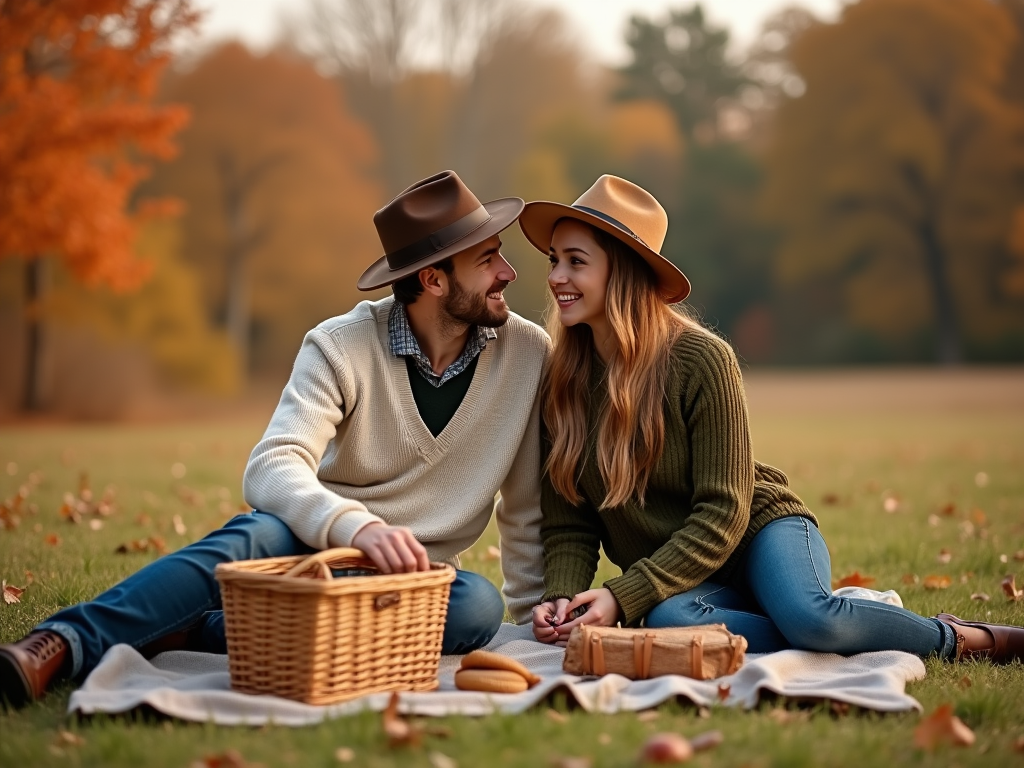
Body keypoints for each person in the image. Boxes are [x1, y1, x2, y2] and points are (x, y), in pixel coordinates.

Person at [0, 170, 550, 709]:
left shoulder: (527, 354)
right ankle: (61, 645)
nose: (507, 272)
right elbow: (272, 465)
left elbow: (526, 510)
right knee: (254, 535)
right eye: (487, 260)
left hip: (408, 582)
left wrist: (530, 623)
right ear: (433, 280)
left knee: (476, 606)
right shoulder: (340, 346)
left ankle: (218, 632)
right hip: (308, 546)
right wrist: (357, 527)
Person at [522, 174, 1023, 664]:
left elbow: (724, 511)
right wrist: (564, 599)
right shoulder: (561, 381)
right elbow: (570, 523)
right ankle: (830, 620)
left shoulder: (701, 360)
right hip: (683, 578)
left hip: (755, 533)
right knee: (669, 623)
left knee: (812, 620)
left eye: (575, 262)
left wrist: (623, 594)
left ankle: (958, 639)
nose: (556, 278)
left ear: (623, 271)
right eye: (554, 261)